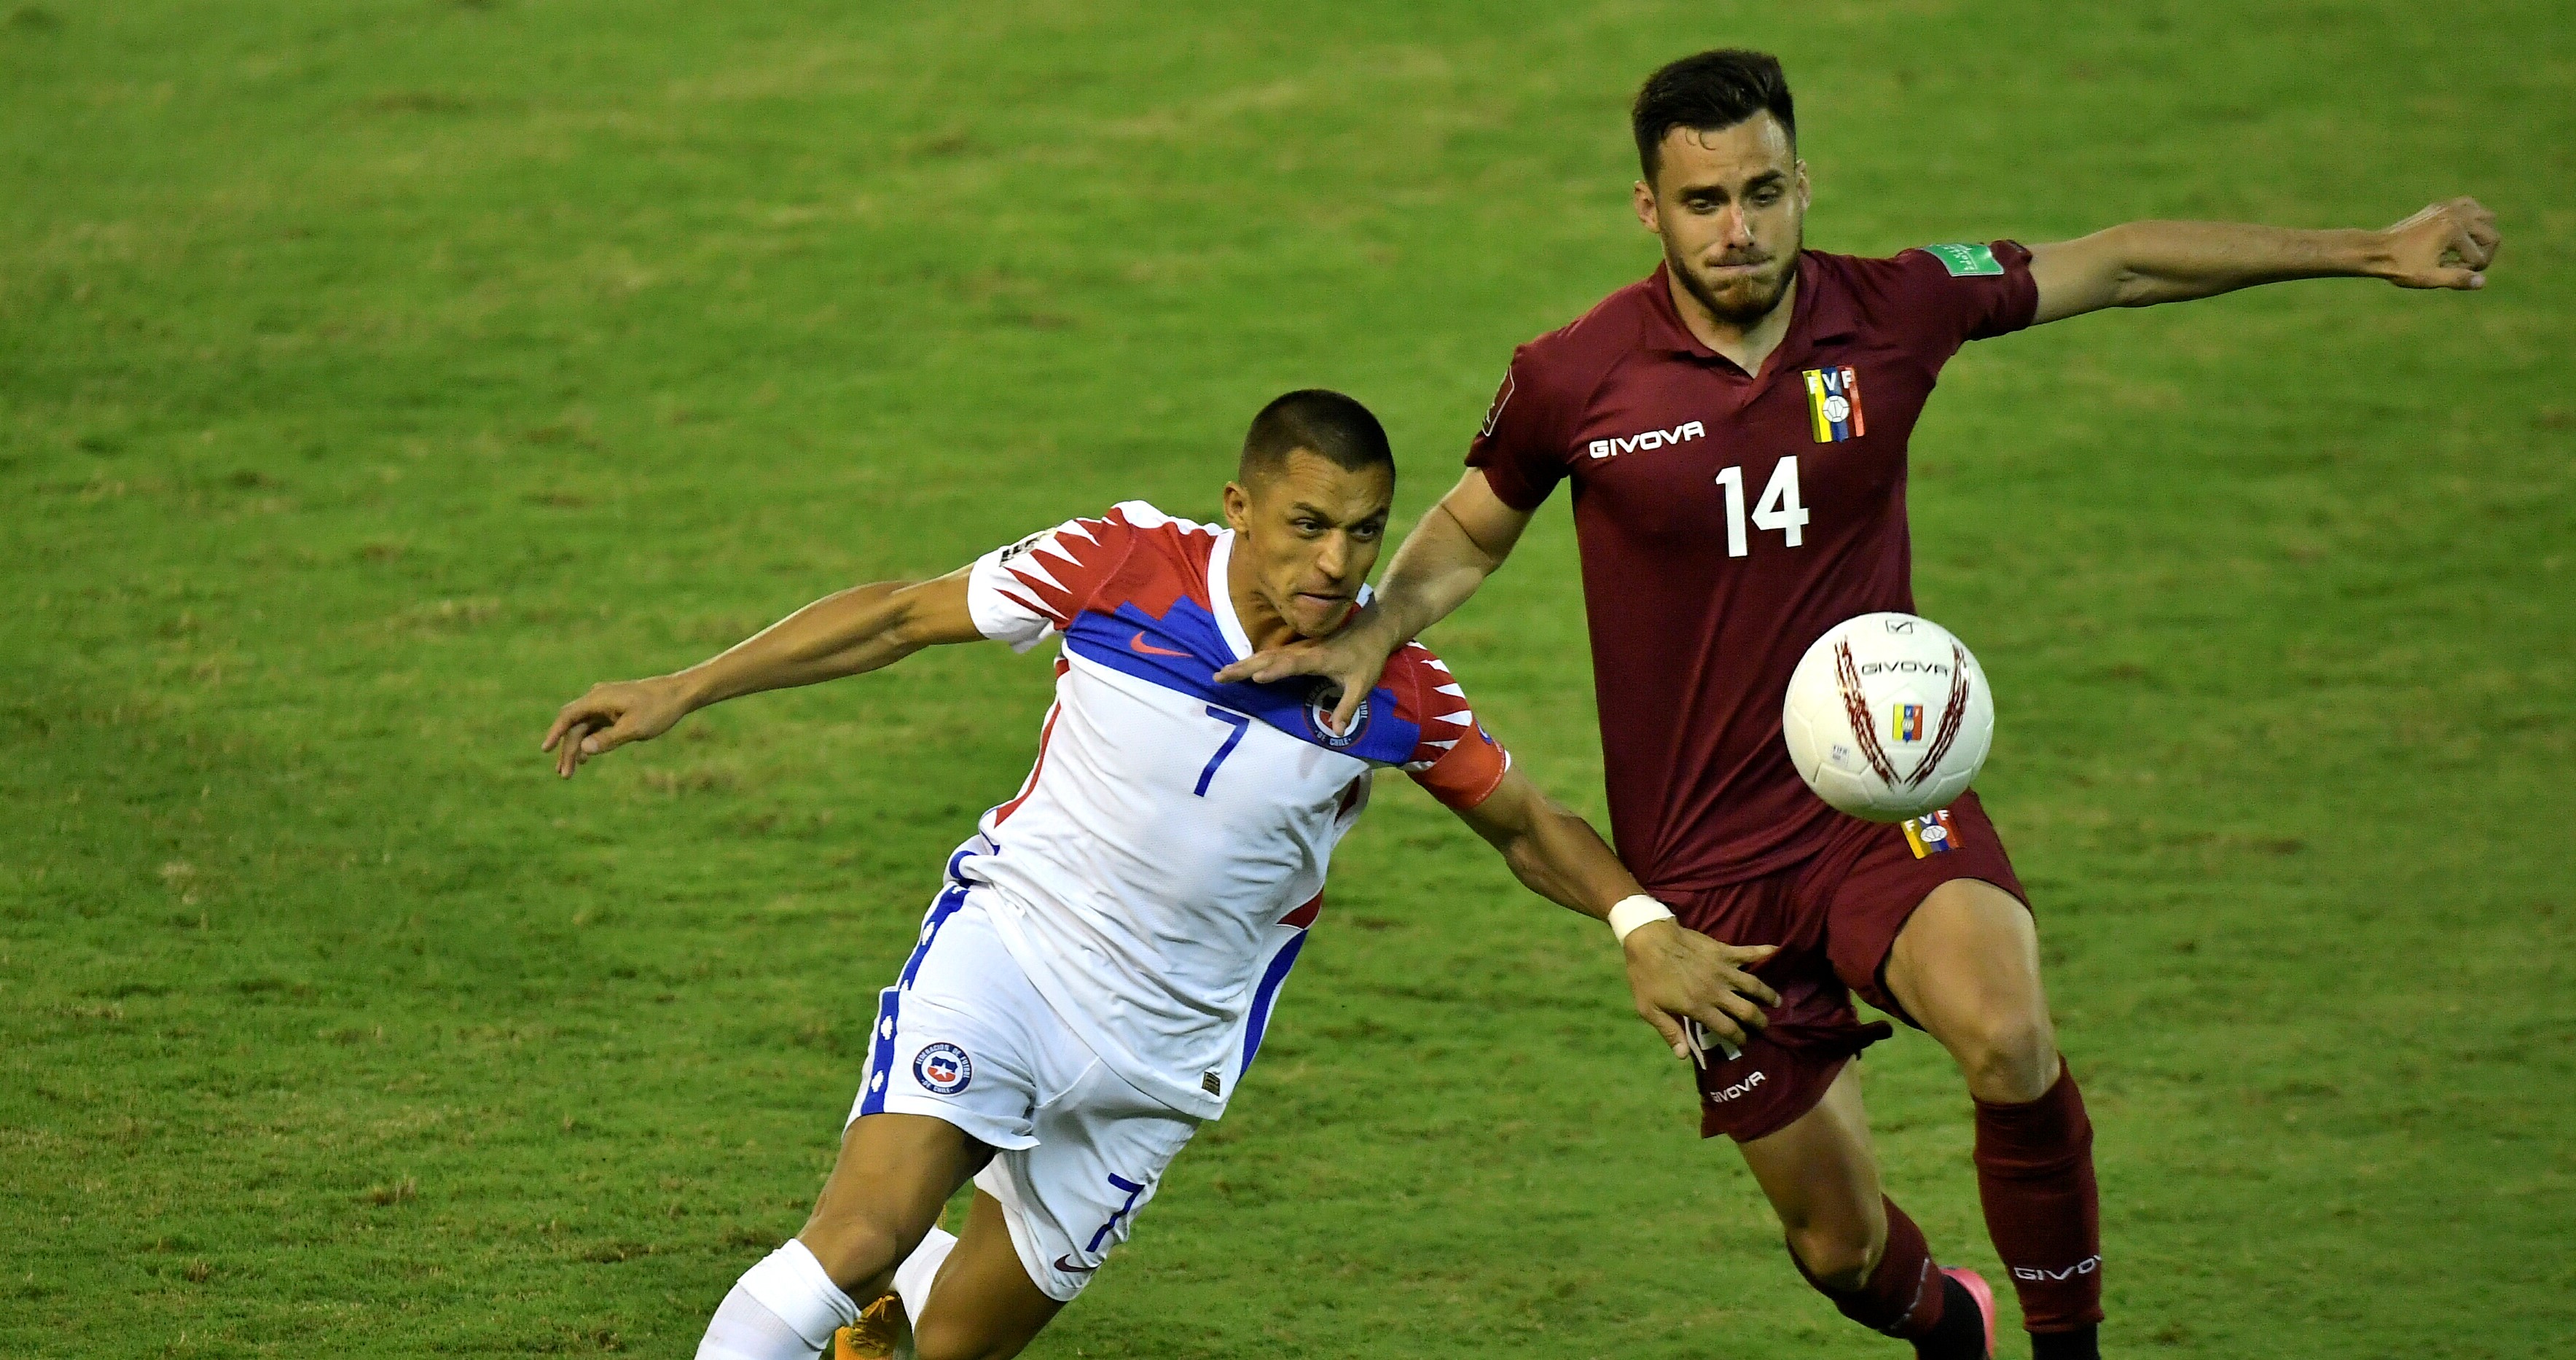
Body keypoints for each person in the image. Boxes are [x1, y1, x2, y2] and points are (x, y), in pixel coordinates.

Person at [1215, 51, 2499, 1360]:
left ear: (1802, 184)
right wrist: (1375, 630)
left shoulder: (1893, 309)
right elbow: (1474, 530)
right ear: (1648, 209)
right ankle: (1952, 1324)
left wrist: (2367, 248)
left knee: (2006, 1035)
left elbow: (2114, 262)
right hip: (1704, 872)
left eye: (1765, 192)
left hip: (1882, 804)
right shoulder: (1575, 375)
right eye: (1705, 200)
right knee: (1839, 1250)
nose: (1741, 228)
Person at [542, 389, 1780, 1360]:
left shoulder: (1388, 683)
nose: (1337, 562)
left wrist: (1637, 921)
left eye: (1362, 532)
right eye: (1307, 525)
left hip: (1162, 1064)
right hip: (1013, 960)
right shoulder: (1120, 564)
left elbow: (1524, 822)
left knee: (935, 1338)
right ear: (1238, 505)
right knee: (861, 1238)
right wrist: (685, 687)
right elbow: (901, 617)